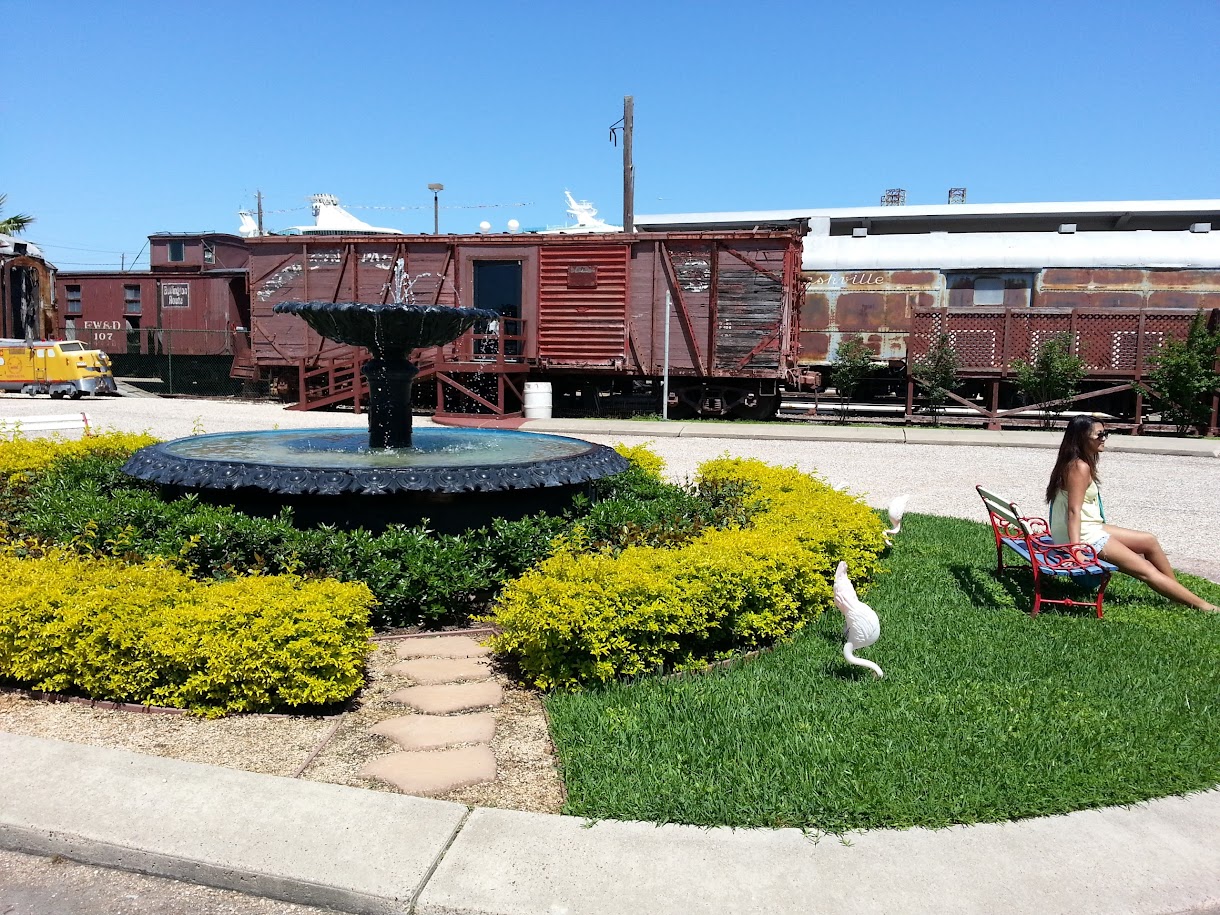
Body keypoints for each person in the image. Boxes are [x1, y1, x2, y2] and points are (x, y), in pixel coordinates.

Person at [1046, 415, 1218, 612]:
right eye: (1099, 435)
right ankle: (1205, 607)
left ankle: (1176, 594)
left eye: (1106, 434)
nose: (1104, 438)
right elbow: (1073, 511)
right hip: (1083, 535)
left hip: (1086, 527)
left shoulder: (1075, 462)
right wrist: (1076, 548)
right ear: (1082, 438)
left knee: (1149, 541)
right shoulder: (1079, 467)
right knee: (1146, 572)